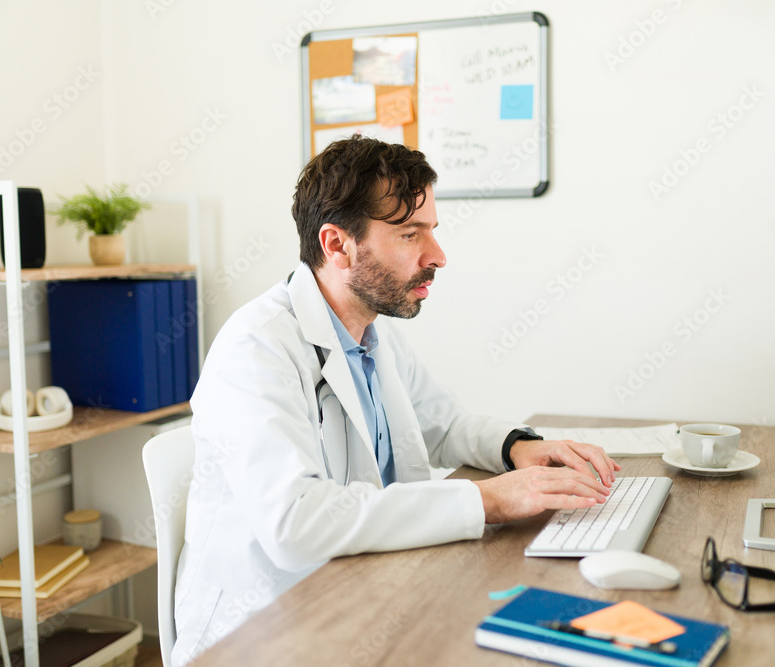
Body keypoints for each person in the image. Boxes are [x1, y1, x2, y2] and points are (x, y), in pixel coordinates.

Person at [171, 135, 621, 664]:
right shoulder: (255, 349)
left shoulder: (368, 330)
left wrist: (517, 448)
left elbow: (442, 423)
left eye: (432, 230)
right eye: (411, 234)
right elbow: (295, 524)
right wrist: (491, 500)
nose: (438, 256)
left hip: (370, 591)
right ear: (337, 244)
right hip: (266, 632)